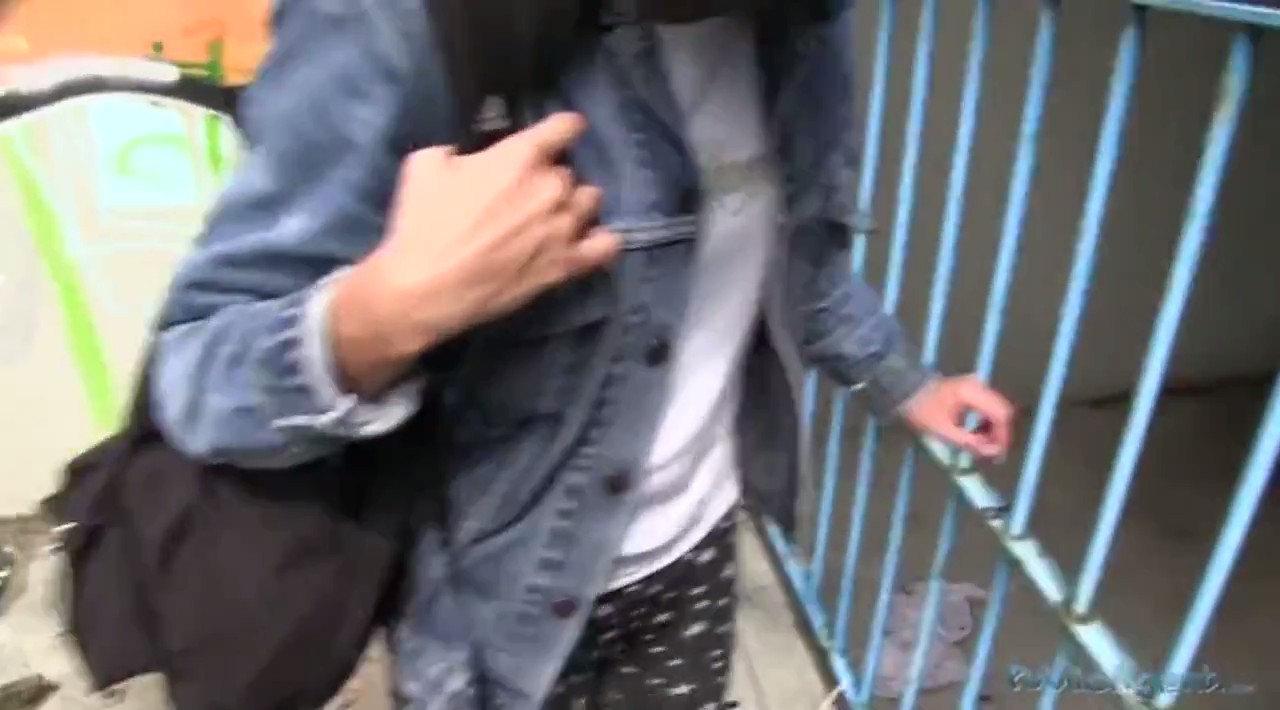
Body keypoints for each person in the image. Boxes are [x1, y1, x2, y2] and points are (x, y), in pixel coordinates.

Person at [148, 1, 1015, 708]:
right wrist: (384, 316)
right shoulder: (393, 20)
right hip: (488, 605)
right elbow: (196, 369)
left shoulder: (799, 24)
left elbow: (798, 259)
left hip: (693, 556)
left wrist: (907, 382)